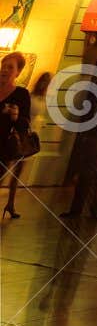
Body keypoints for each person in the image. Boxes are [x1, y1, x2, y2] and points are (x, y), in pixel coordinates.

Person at [4, 70, 49, 219]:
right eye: (43, 80)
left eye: (47, 82)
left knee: (17, 174)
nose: (44, 84)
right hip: (21, 134)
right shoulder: (28, 95)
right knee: (6, 167)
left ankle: (10, 204)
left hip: (30, 137)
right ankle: (9, 204)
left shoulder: (45, 99)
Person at [0, 52, 31, 220]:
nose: (4, 69)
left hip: (3, 147)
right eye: (3, 65)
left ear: (18, 72)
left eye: (10, 67)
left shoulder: (21, 94)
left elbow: (25, 123)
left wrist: (16, 117)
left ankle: (10, 204)